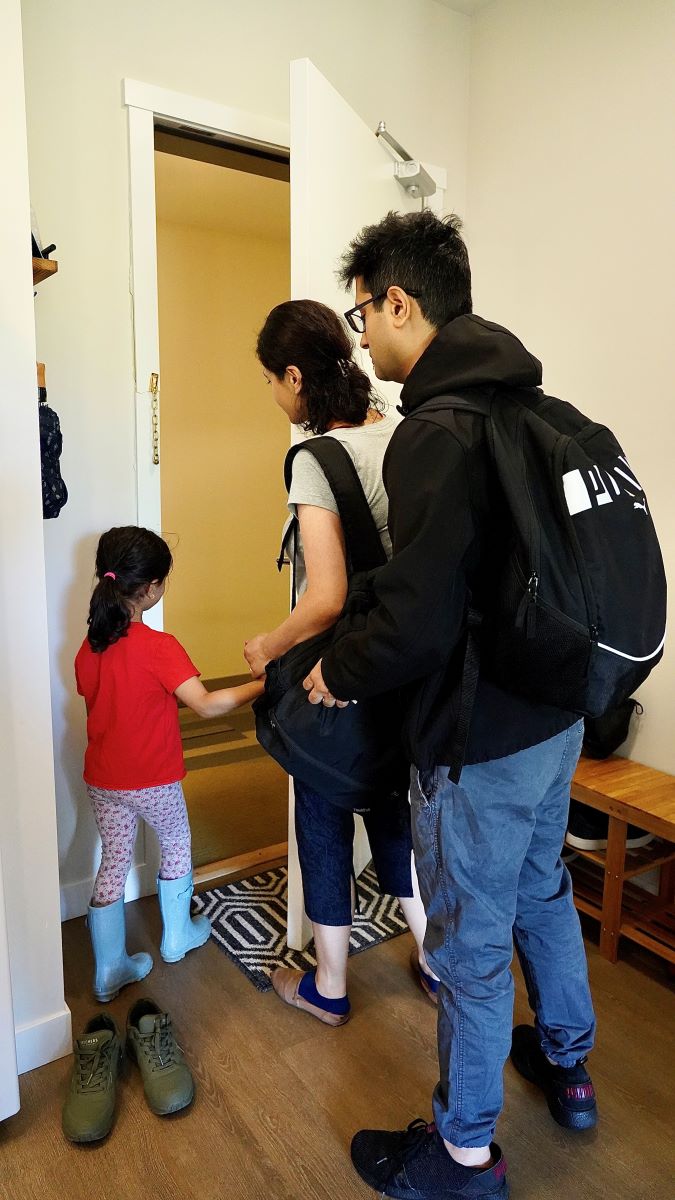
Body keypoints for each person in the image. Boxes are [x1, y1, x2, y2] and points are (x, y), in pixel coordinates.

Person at [303, 212, 597, 1200]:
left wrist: (340, 671)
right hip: (558, 721)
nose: (362, 336)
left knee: (469, 949)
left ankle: (464, 1154)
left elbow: (422, 620)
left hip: (480, 743)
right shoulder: (535, 412)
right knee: (546, 893)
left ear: (399, 301)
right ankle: (570, 1068)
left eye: (364, 312)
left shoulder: (435, 431)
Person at [244, 298, 439, 1026]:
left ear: (293, 377)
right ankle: (431, 960)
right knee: (395, 809)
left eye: (269, 379)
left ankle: (329, 983)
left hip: (345, 674)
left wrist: (268, 644)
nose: (272, 394)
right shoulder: (402, 433)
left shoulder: (315, 459)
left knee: (323, 816)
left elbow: (324, 599)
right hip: (412, 665)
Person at [75, 525, 263, 1002]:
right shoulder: (160, 647)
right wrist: (265, 685)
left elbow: (111, 700)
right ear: (152, 587)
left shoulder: (88, 648)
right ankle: (177, 937)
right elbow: (206, 705)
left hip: (104, 779)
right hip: (153, 779)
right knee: (177, 843)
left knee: (114, 858)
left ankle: (108, 969)